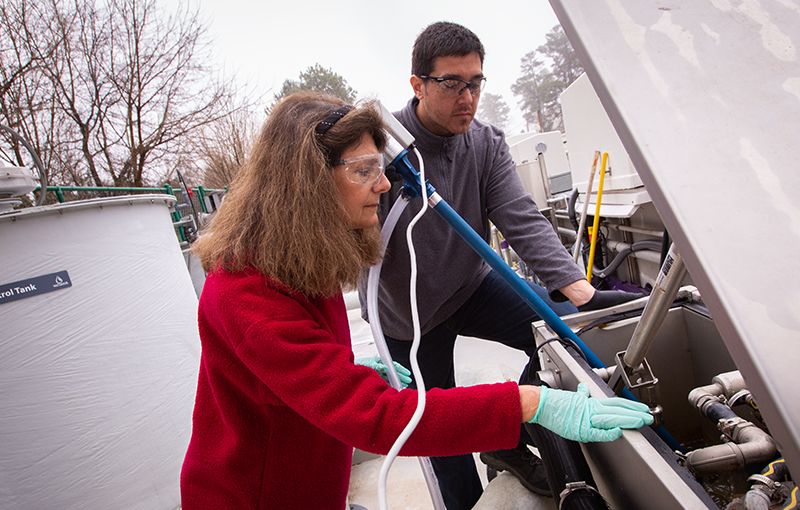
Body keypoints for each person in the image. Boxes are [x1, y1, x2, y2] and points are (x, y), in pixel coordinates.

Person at [179, 92, 653, 510]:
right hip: (255, 496)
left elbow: (290, 373)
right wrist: (530, 404)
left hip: (312, 480)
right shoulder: (246, 292)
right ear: (308, 184)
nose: (384, 185)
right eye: (364, 171)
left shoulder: (298, 261)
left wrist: (350, 367)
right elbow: (381, 420)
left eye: (379, 168)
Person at [358, 22, 643, 509]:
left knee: (559, 343)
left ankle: (510, 434)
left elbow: (521, 219)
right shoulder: (383, 152)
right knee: (439, 433)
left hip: (471, 286)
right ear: (417, 85)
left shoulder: (485, 144)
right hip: (408, 318)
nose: (466, 97)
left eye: (475, 82)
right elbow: (351, 240)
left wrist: (581, 294)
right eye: (451, 83)